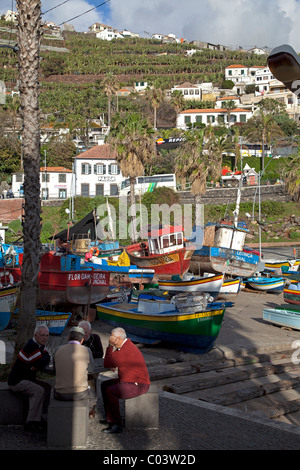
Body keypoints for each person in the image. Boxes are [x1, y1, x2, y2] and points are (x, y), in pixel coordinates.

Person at [100, 327, 151, 434]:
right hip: (127, 380)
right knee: (105, 385)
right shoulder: (125, 346)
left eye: (111, 335)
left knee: (111, 391)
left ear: (117, 339)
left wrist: (109, 345)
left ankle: (116, 424)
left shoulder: (126, 350)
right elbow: (112, 362)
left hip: (138, 385)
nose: (110, 337)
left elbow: (107, 363)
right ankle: (110, 417)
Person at [8, 325, 51, 433]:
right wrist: (40, 361)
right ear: (35, 335)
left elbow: (46, 357)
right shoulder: (32, 346)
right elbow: (41, 362)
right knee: (39, 390)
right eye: (42, 335)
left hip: (27, 378)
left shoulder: (39, 346)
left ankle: (42, 416)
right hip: (17, 381)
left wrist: (40, 361)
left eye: (47, 335)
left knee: (47, 387)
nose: (45, 338)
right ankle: (31, 422)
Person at [53, 326, 96, 411]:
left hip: (60, 394)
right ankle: (84, 414)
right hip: (80, 394)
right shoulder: (86, 350)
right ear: (82, 340)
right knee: (93, 395)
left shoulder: (57, 349)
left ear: (68, 338)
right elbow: (91, 370)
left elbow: (55, 371)